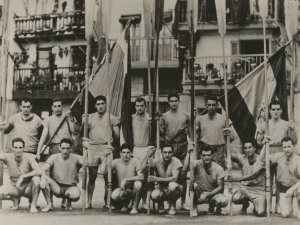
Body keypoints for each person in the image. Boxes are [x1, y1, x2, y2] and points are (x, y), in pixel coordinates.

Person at [256, 100, 298, 213]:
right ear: (269, 111)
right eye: (273, 109)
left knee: (279, 180)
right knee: (268, 181)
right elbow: (258, 141)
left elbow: (294, 141)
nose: (275, 112)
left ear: (281, 111)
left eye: (277, 109)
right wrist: (264, 141)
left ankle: (278, 205)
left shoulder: (286, 124)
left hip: (282, 152)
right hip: (269, 151)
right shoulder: (264, 124)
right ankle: (268, 205)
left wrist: (293, 129)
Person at [83, 95, 120, 209]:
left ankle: (108, 202)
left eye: (102, 104)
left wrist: (110, 143)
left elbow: (117, 135)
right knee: (92, 176)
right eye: (98, 104)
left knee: (107, 177)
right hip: (93, 148)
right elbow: (82, 133)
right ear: (95, 105)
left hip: (105, 148)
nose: (100, 106)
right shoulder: (90, 117)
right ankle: (88, 202)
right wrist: (83, 122)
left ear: (106, 104)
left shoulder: (111, 118)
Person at [159, 93, 190, 210]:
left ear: (179, 101)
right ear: (168, 102)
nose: (174, 103)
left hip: (182, 146)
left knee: (183, 174)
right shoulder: (164, 116)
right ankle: (168, 199)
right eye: (171, 101)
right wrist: (157, 122)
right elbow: (161, 132)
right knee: (168, 174)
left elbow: (192, 130)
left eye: (176, 101)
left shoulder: (185, 115)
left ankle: (183, 202)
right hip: (169, 148)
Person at [40, 138, 86, 212]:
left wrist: (88, 149)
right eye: (63, 148)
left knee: (75, 195)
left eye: (67, 148)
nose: (65, 151)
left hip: (70, 187)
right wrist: (42, 177)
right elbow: (44, 168)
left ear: (71, 149)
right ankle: (49, 204)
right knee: (44, 179)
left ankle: (68, 202)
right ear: (59, 148)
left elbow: (88, 163)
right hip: (56, 187)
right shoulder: (54, 157)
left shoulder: (76, 158)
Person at [260, 137, 300, 219]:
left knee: (297, 213)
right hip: (284, 188)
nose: (287, 150)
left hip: (296, 188)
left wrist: (292, 189)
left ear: (294, 146)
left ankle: (298, 205)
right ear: (282, 148)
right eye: (284, 147)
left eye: (289, 147)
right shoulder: (279, 156)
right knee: (285, 214)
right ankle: (292, 207)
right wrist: (264, 145)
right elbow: (262, 159)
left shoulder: (298, 160)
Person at [183, 144, 228, 217]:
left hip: (212, 195)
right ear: (200, 156)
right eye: (204, 155)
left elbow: (220, 187)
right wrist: (188, 152)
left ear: (212, 156)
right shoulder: (196, 163)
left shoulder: (218, 168)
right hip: (199, 194)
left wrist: (208, 194)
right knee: (193, 185)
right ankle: (194, 206)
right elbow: (185, 168)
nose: (206, 157)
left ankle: (213, 207)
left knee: (224, 201)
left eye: (208, 155)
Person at [99, 143, 144, 214]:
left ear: (131, 153)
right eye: (124, 152)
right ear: (120, 153)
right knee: (114, 195)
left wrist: (126, 179)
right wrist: (105, 156)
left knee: (138, 184)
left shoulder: (136, 161)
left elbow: (141, 176)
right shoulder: (116, 162)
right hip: (123, 188)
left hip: (133, 188)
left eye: (128, 152)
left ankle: (135, 206)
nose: (126, 155)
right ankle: (126, 203)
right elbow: (102, 171)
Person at [0, 137, 41, 213]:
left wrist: (23, 176)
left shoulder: (29, 156)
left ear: (23, 148)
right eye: (16, 147)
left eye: (20, 147)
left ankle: (33, 204)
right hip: (15, 186)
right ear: (12, 148)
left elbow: (39, 170)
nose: (18, 150)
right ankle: (15, 200)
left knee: (36, 179)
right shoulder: (8, 156)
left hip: (28, 187)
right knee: (1, 193)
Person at [227, 139, 266, 217]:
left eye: (250, 147)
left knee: (260, 213)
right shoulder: (242, 158)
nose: (247, 150)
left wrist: (237, 179)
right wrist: (226, 139)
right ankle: (245, 204)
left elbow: (254, 174)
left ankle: (257, 205)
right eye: (245, 148)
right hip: (245, 188)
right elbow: (228, 154)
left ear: (255, 148)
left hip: (258, 190)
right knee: (235, 198)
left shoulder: (261, 159)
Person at [140, 144, 182, 215]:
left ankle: (173, 205)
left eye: (169, 152)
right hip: (161, 188)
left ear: (172, 153)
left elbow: (174, 178)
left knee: (172, 185)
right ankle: (161, 205)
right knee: (154, 195)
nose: (167, 155)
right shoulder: (156, 161)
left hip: (175, 189)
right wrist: (147, 155)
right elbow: (142, 169)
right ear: (161, 153)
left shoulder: (176, 161)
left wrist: (157, 179)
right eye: (165, 152)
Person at [195, 96, 234, 169]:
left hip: (218, 150)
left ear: (217, 105)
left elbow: (231, 137)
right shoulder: (200, 119)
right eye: (209, 105)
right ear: (206, 105)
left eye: (213, 105)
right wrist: (192, 118)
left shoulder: (224, 118)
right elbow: (193, 135)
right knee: (204, 171)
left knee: (218, 171)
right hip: (204, 148)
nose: (211, 107)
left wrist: (223, 138)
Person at [132, 97, 150, 209]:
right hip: (134, 149)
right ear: (135, 106)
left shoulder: (150, 118)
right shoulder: (131, 118)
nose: (139, 108)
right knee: (136, 176)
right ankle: (133, 201)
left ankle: (144, 201)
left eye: (141, 105)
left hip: (146, 149)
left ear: (145, 106)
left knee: (146, 177)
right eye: (137, 106)